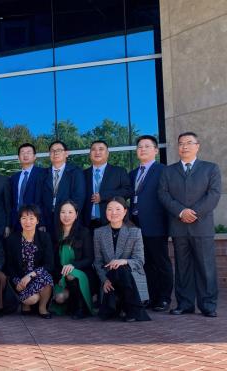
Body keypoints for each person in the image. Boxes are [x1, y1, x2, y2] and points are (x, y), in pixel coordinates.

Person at [159, 132, 221, 318]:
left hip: (201, 226)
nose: (184, 146)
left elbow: (214, 194)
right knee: (183, 268)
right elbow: (163, 194)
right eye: (181, 143)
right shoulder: (168, 171)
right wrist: (181, 211)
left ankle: (208, 305)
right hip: (179, 226)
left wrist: (194, 213)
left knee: (206, 267)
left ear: (197, 146)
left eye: (188, 143)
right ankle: (185, 304)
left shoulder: (210, 169)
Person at [129, 135, 172, 312]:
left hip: (156, 224)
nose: (143, 149)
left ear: (155, 150)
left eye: (147, 146)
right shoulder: (132, 174)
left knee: (160, 262)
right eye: (139, 146)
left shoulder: (163, 171)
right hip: (136, 225)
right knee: (144, 264)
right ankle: (151, 296)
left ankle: (164, 298)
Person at [93, 197, 150, 322]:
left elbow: (140, 260)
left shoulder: (135, 232)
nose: (113, 213)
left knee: (122, 268)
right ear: (105, 211)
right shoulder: (99, 233)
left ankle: (127, 306)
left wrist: (123, 261)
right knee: (117, 270)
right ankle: (131, 309)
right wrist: (105, 280)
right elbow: (98, 262)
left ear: (125, 211)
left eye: (118, 209)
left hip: (131, 278)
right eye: (110, 209)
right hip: (110, 280)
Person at [5, 205, 54, 319]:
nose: (28, 222)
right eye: (24, 218)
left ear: (37, 221)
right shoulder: (12, 239)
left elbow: (49, 264)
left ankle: (43, 308)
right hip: (20, 279)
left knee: (47, 278)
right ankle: (25, 304)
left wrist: (31, 275)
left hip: (37, 276)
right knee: (32, 299)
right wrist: (17, 281)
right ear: (19, 220)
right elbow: (9, 266)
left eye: (31, 218)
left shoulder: (44, 237)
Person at [52, 201, 94, 319]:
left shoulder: (84, 232)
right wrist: (59, 276)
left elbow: (89, 259)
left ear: (76, 215)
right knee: (59, 298)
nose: (66, 215)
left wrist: (73, 265)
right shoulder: (55, 234)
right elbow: (53, 262)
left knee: (71, 275)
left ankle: (81, 308)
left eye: (70, 212)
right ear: (58, 214)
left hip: (82, 272)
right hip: (61, 274)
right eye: (63, 212)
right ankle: (71, 305)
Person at [38, 141, 85, 238]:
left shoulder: (75, 172)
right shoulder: (43, 174)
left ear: (66, 153)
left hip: (68, 220)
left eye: (59, 150)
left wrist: (70, 217)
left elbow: (79, 198)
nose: (55, 153)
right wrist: (41, 222)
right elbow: (38, 200)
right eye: (52, 151)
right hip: (47, 222)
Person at [83, 140, 132, 229]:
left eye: (101, 149)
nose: (97, 152)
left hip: (112, 222)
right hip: (88, 224)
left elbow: (128, 191)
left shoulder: (119, 172)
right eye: (93, 149)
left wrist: (104, 196)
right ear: (90, 154)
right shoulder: (83, 174)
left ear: (107, 153)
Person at [10, 143, 44, 231]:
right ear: (18, 157)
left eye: (28, 152)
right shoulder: (14, 178)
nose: (25, 155)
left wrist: (41, 222)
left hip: (35, 220)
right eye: (22, 152)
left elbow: (44, 200)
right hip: (16, 221)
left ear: (34, 157)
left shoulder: (43, 174)